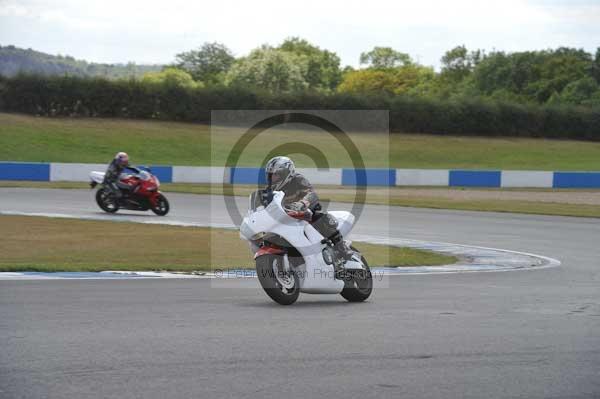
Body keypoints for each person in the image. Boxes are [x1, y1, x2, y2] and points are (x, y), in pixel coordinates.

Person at [264, 156, 353, 264]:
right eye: (271, 175)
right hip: (286, 217)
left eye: (276, 174)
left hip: (305, 212)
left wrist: (302, 203)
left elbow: (311, 193)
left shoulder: (297, 179)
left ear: (286, 173)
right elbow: (265, 207)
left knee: (319, 217)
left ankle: (341, 247)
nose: (272, 178)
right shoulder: (269, 191)